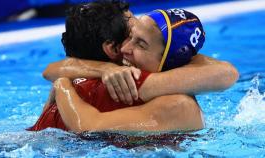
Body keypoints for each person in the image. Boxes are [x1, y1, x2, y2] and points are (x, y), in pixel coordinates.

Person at [30, 1, 239, 132]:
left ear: (170, 59)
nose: (126, 48)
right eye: (130, 35)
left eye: (140, 42)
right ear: (110, 49)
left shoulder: (160, 95)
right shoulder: (124, 80)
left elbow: (227, 73)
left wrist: (61, 86)